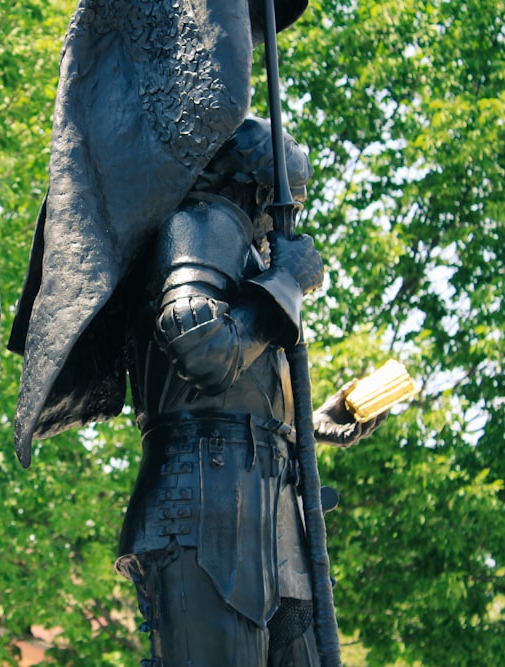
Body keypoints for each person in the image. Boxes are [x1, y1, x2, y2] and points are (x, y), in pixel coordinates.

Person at [113, 118, 382, 666]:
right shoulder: (206, 222)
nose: (290, 220)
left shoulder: (242, 248)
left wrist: (313, 424)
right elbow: (202, 349)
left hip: (262, 505)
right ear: (259, 190)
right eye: (289, 204)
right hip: (205, 506)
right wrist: (285, 284)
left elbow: (237, 382)